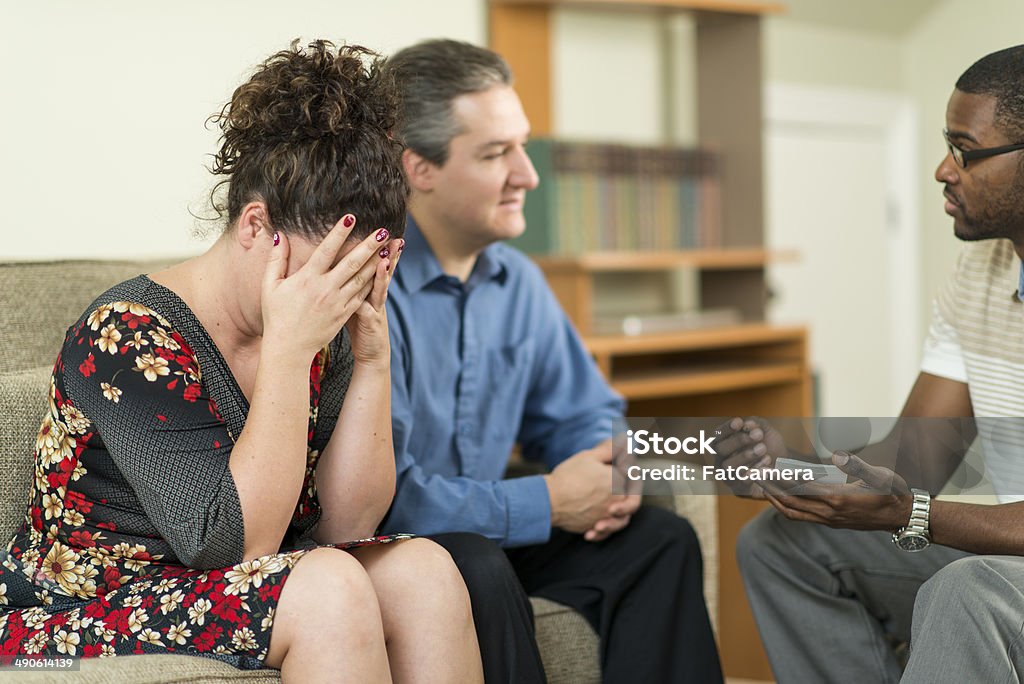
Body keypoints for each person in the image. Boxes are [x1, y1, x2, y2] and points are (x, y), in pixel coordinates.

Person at [0, 39, 483, 684]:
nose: (333, 294)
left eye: (356, 274)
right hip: (86, 604)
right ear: (255, 226)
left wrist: (371, 358)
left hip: (229, 587)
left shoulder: (325, 325)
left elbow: (348, 522)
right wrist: (288, 351)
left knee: (425, 570)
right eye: (323, 268)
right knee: (329, 588)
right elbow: (233, 543)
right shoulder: (124, 336)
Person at [378, 39, 722, 684]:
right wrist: (548, 502)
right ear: (418, 167)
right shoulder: (368, 293)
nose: (528, 175)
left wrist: (600, 466)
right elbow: (381, 503)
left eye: (522, 145)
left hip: (485, 530)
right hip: (389, 546)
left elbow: (582, 410)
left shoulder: (519, 282)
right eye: (494, 154)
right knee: (472, 564)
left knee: (658, 540)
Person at [714, 44, 1024, 684]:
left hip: (999, 572)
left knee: (967, 590)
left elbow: (914, 501)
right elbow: (914, 458)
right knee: (781, 545)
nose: (944, 169)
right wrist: (794, 463)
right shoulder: (978, 273)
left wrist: (914, 514)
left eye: (966, 151)